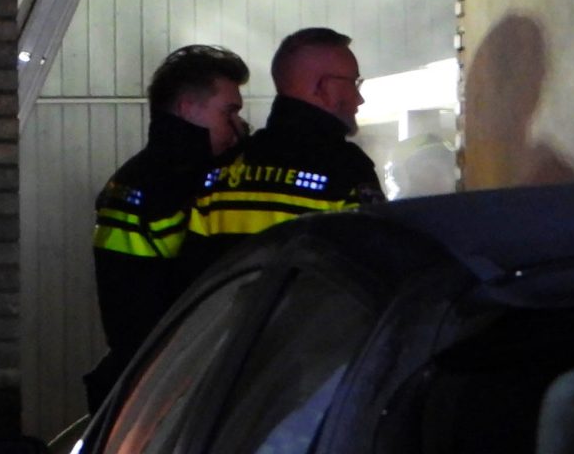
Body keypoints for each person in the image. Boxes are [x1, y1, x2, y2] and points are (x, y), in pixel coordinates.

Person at [85, 43, 249, 411]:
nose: (238, 126)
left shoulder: (135, 177)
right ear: (188, 109)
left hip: (140, 381)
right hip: (175, 388)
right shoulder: (178, 186)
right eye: (229, 112)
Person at [181, 27, 384, 277]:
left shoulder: (220, 172)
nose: (359, 98)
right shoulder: (346, 170)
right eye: (353, 82)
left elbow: (194, 274)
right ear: (324, 88)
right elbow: (375, 269)